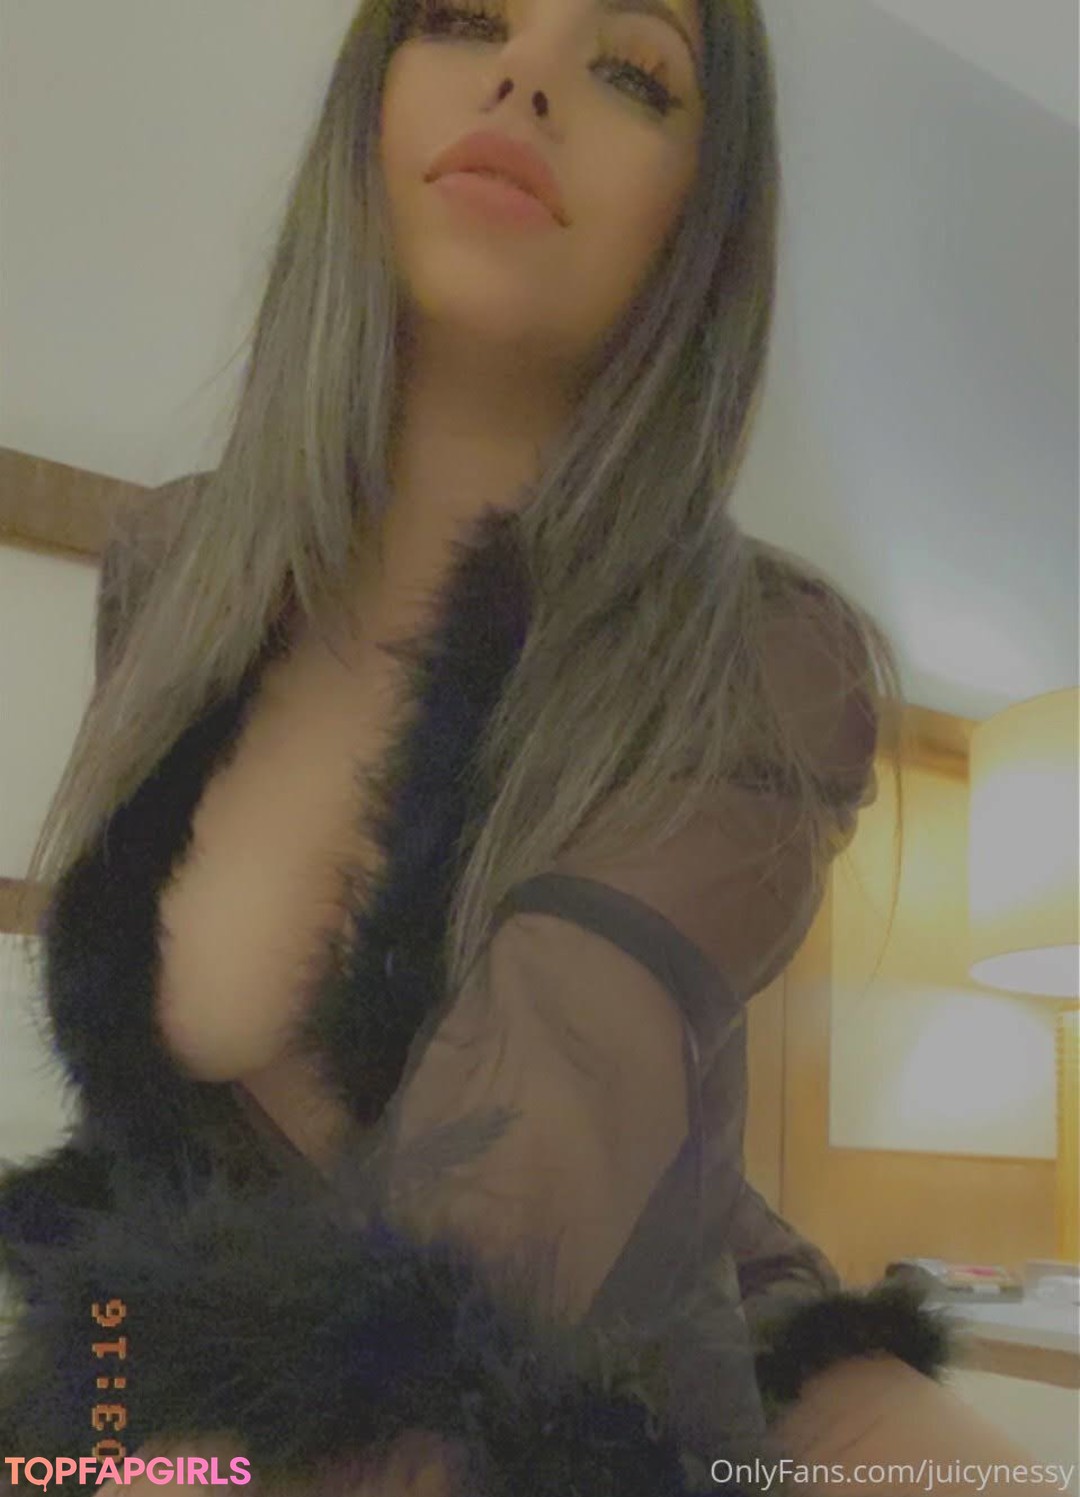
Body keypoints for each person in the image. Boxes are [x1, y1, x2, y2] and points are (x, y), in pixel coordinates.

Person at [0, 0, 1039, 1491]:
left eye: (629, 70)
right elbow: (143, 1174)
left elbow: (498, 1238)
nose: (524, 75)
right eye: (462, 17)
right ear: (370, 106)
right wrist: (92, 1428)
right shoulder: (176, 571)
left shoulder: (755, 662)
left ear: (701, 223)